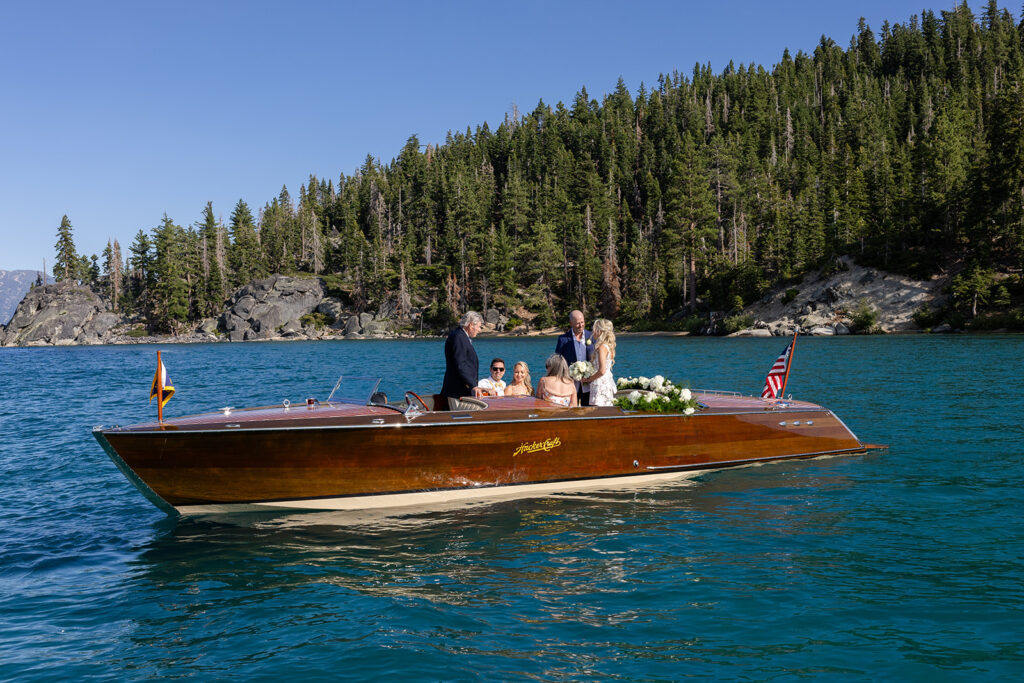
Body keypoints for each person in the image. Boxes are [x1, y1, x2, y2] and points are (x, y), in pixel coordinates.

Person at [440, 311, 485, 404]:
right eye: (479, 327)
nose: (479, 330)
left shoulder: (461, 336)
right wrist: (473, 385)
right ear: (471, 325)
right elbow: (461, 364)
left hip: (461, 392)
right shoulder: (459, 337)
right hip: (457, 393)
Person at [554, 309, 593, 406]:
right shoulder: (563, 339)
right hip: (570, 383)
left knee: (588, 410)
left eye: (582, 322)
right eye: (577, 323)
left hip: (589, 383)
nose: (581, 326)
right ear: (571, 323)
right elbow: (557, 361)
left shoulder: (592, 336)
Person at [582, 318, 616, 406]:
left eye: (595, 329)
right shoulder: (608, 346)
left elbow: (601, 371)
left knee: (598, 410)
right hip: (606, 382)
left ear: (600, 331)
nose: (593, 332)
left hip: (600, 384)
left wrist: (589, 379)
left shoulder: (602, 348)